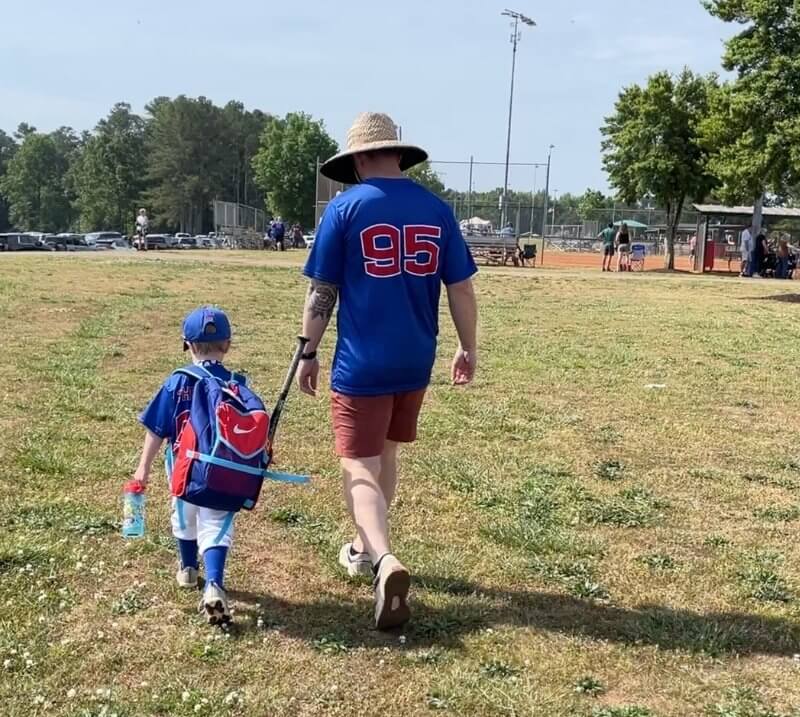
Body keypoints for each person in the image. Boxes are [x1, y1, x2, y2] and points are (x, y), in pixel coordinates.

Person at [297, 112, 478, 630]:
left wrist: (307, 352)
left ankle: (383, 560)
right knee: (387, 456)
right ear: (400, 154)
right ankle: (361, 546)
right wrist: (467, 348)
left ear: (356, 159)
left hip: (362, 363)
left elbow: (322, 292)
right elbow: (461, 288)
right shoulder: (436, 210)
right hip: (415, 359)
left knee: (358, 465)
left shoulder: (345, 209)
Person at [133, 306, 248, 625]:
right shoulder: (238, 384)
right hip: (225, 472)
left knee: (183, 515)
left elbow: (157, 428)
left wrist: (143, 467)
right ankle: (213, 582)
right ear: (227, 344)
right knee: (216, 525)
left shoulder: (177, 382)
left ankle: (187, 570)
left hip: (184, 470)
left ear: (187, 344)